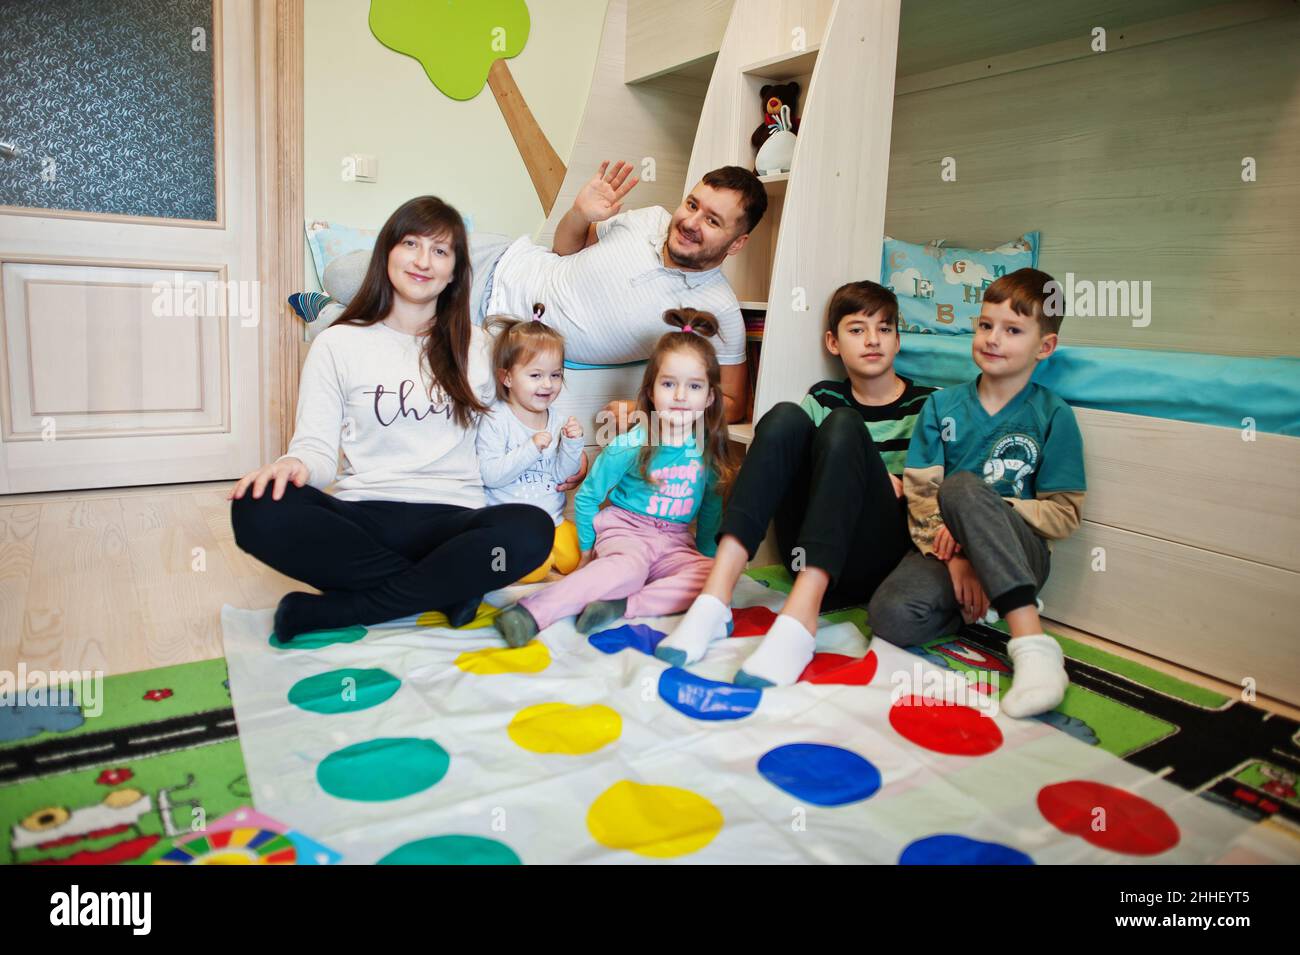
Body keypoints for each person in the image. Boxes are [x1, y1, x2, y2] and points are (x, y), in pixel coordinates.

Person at [229, 196, 558, 640]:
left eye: (440, 251)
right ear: (387, 252)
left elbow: (525, 408)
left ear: (455, 270)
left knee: (531, 531)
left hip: (454, 519)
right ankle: (448, 588)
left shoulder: (479, 347)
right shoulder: (337, 343)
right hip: (364, 516)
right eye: (410, 244)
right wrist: (296, 465)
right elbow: (316, 447)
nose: (423, 261)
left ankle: (343, 610)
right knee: (256, 508)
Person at [657, 281, 935, 686]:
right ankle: (715, 597)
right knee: (784, 415)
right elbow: (792, 468)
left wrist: (897, 482)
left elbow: (939, 495)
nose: (872, 340)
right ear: (833, 342)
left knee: (843, 425)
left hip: (876, 561)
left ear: (897, 339)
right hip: (805, 550)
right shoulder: (822, 396)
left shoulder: (927, 405)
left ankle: (800, 622)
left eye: (885, 329)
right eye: (857, 329)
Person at [868, 268, 1087, 718]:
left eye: (1012, 330)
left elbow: (1063, 515)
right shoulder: (941, 406)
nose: (992, 338)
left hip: (1020, 555)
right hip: (941, 547)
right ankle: (980, 609)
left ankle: (1033, 647)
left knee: (965, 487)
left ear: (1044, 347)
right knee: (888, 618)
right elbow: (921, 493)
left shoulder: (1053, 414)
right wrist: (958, 557)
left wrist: (984, 520)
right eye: (986, 325)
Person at [493, 308, 738, 648]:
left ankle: (623, 605)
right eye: (669, 384)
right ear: (651, 392)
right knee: (626, 572)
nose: (681, 396)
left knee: (719, 577)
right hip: (627, 532)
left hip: (676, 543)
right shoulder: (632, 442)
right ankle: (532, 613)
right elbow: (590, 494)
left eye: (694, 386)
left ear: (710, 397)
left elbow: (711, 513)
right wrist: (585, 550)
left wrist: (710, 560)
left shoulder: (707, 452)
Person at [477, 310, 585, 584]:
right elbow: (490, 476)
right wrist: (531, 448)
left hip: (553, 519)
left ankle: (546, 554)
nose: (547, 385)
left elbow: (562, 476)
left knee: (576, 559)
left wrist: (572, 445)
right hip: (510, 525)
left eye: (556, 375)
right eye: (535, 375)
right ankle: (517, 561)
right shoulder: (496, 419)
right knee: (527, 570)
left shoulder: (557, 419)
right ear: (508, 377)